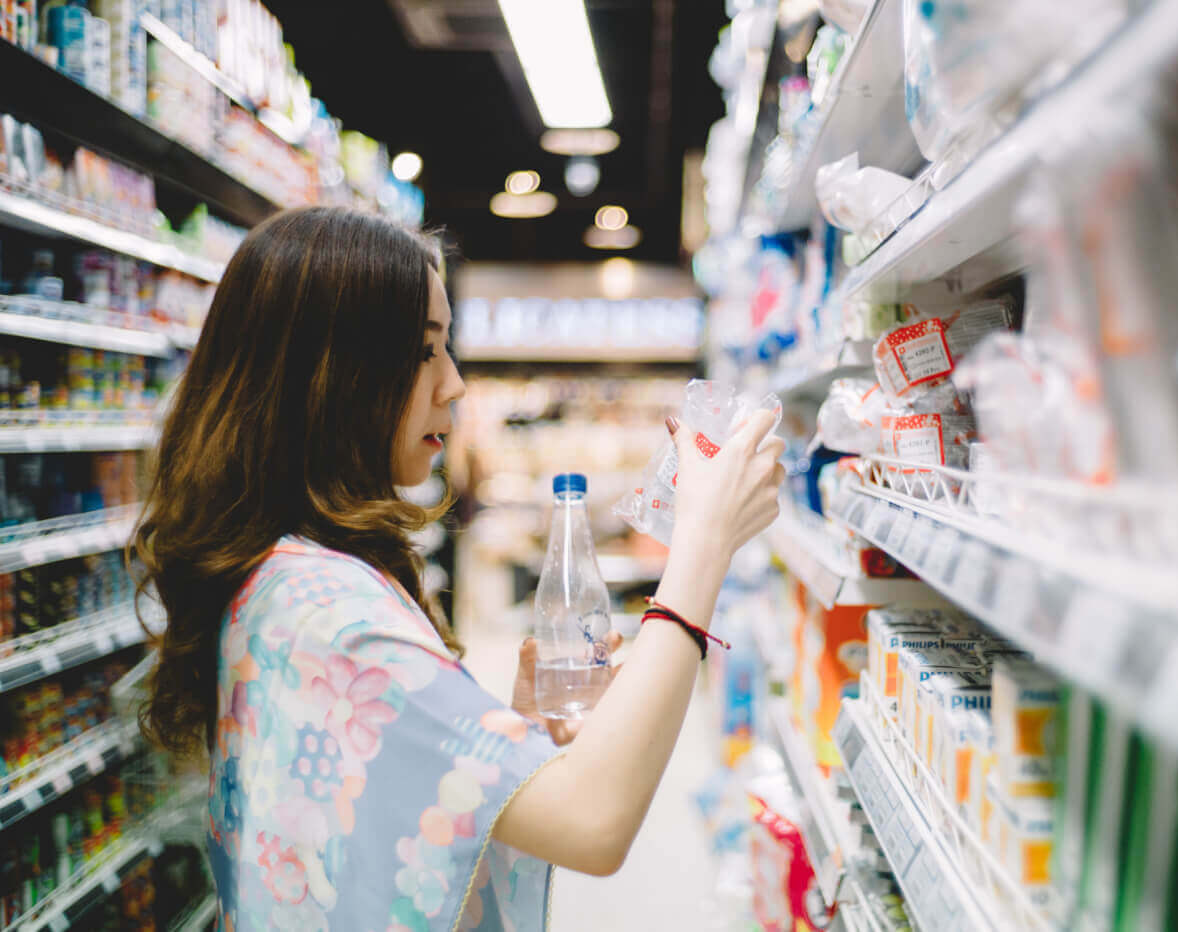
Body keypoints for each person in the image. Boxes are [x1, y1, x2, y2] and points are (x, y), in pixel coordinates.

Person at [131, 206, 784, 931]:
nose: (455, 384)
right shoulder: (327, 612)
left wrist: (507, 738)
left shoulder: (287, 574)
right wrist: (701, 544)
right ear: (327, 373)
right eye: (422, 351)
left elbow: (382, 813)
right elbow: (592, 822)